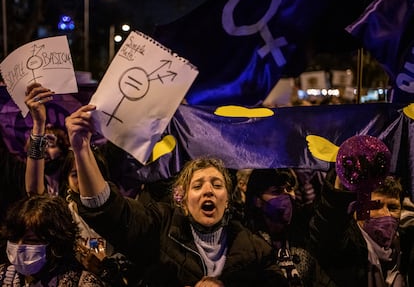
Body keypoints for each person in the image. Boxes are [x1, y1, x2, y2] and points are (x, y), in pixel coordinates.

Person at [65, 104, 289, 287]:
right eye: (198, 185)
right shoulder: (159, 229)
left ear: (228, 199)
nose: (208, 190)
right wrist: (81, 148)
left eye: (217, 185)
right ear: (182, 198)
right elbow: (106, 209)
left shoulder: (256, 250)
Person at [308, 135, 414, 286]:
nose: (386, 214)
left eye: (393, 207)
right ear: (357, 209)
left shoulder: (405, 247)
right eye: (376, 206)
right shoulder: (346, 247)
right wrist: (341, 187)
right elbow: (328, 228)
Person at [245, 168, 327, 287]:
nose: (286, 196)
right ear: (257, 200)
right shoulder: (248, 243)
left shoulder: (306, 232)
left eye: (289, 189)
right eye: (277, 191)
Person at [0, 194, 105, 286]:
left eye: (32, 241)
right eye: (14, 238)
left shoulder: (83, 283)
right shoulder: (3, 275)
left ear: (55, 244)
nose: (19, 247)